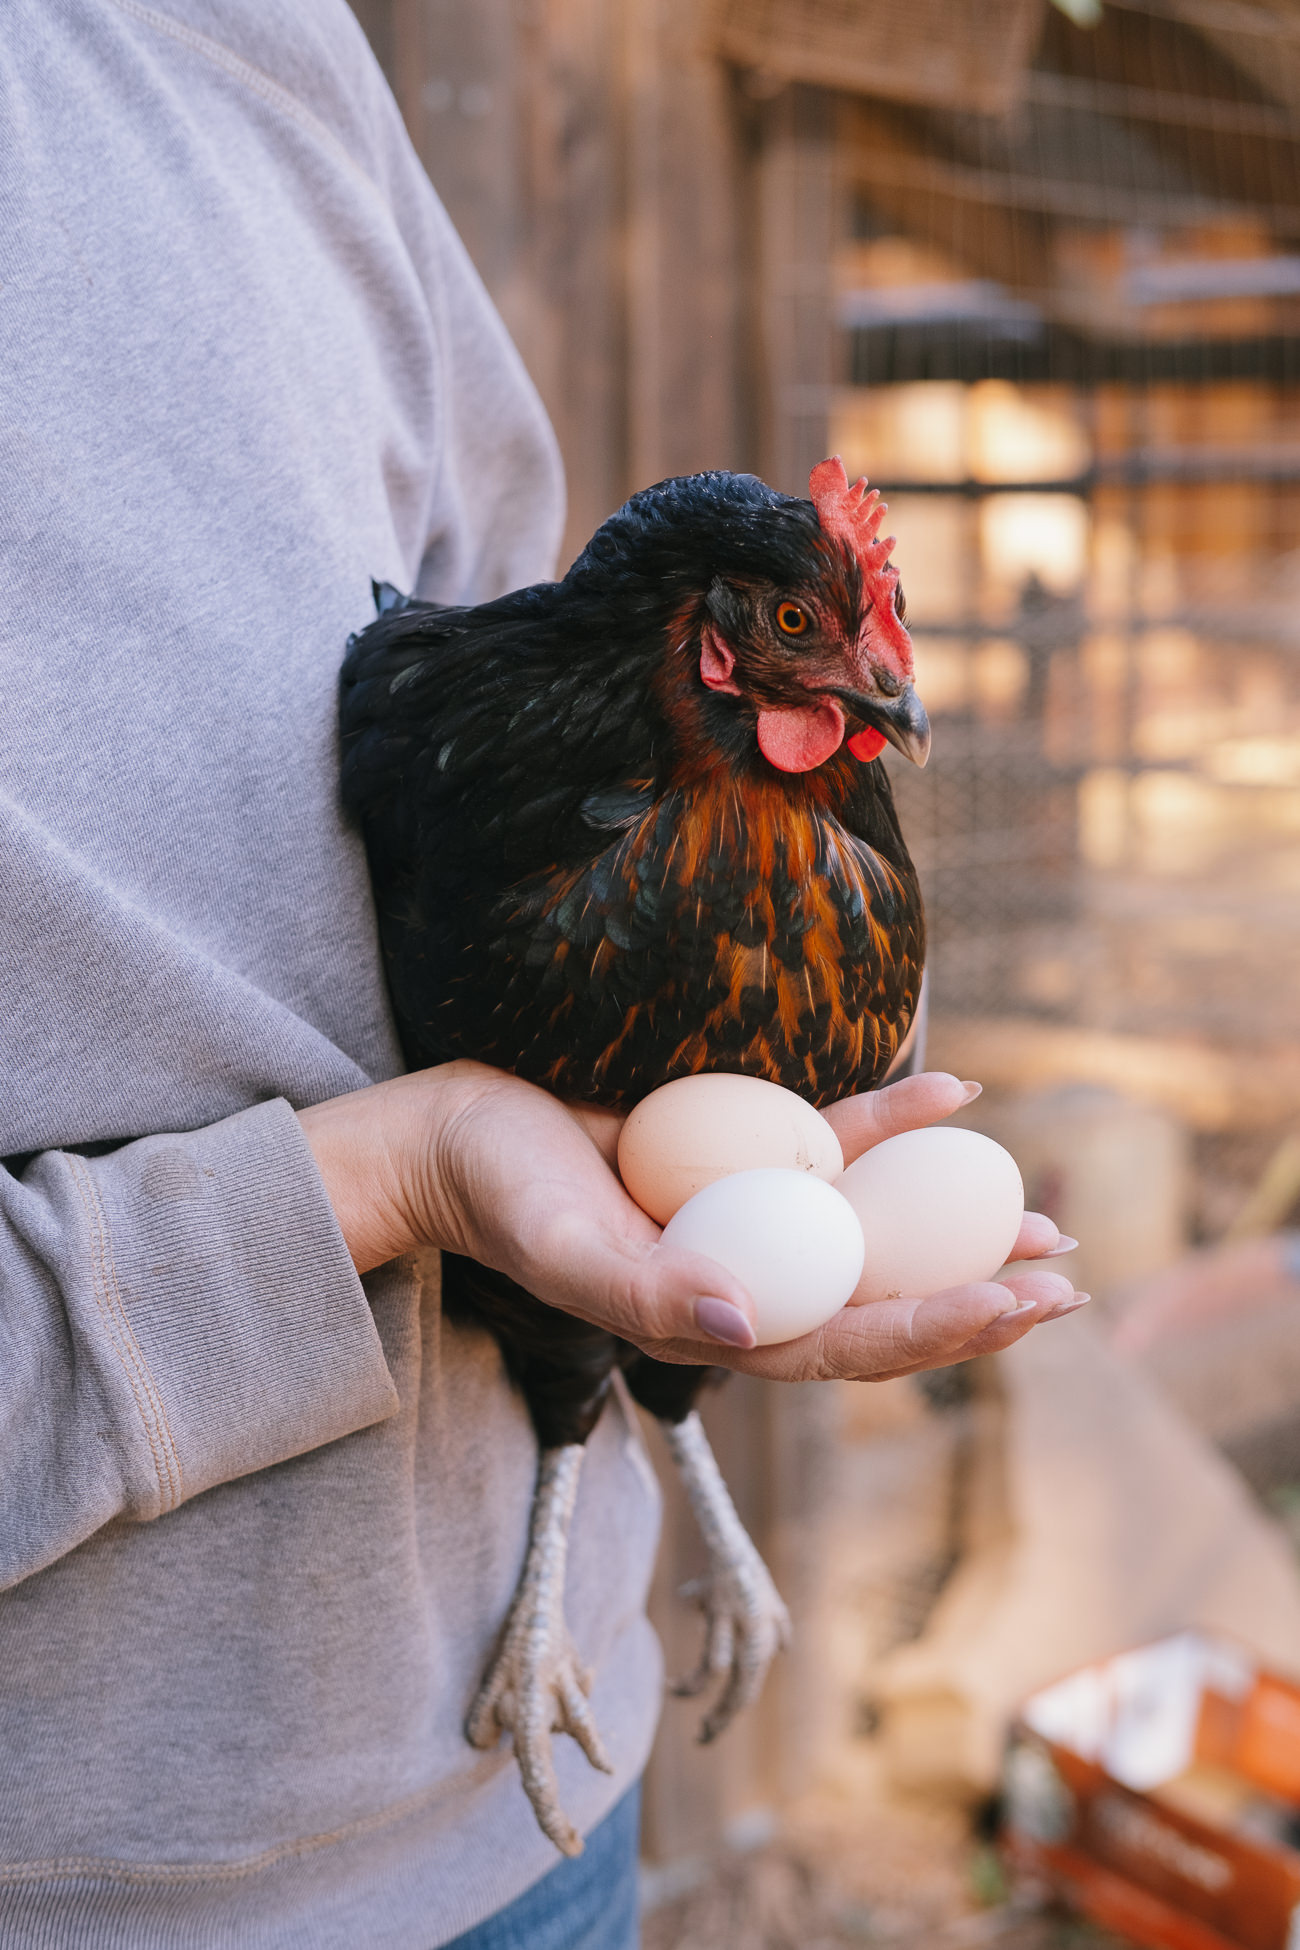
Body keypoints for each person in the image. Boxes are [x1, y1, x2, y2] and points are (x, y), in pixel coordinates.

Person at [0, 3, 1085, 1943]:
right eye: (793, 635)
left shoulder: (238, 35)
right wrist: (384, 1177)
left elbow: (496, 581)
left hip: (538, 1775)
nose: (863, 680)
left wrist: (718, 1186)